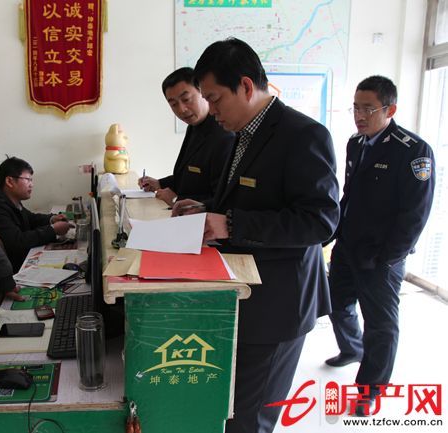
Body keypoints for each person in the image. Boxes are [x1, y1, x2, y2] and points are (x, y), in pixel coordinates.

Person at [172, 38, 340, 433]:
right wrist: (208, 209)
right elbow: (250, 197)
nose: (211, 110)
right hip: (244, 293)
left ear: (246, 86)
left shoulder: (303, 134)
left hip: (279, 303)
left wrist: (232, 224)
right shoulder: (242, 133)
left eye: (215, 99)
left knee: (250, 420)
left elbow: (320, 221)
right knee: (230, 409)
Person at [325, 76, 435, 415]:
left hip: (381, 255)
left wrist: (389, 258)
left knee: (381, 325)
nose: (359, 116)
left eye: (368, 109)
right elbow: (349, 196)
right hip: (348, 246)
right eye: (355, 108)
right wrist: (331, 233)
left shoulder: (413, 151)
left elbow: (415, 214)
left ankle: (370, 390)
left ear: (390, 110)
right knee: (336, 303)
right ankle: (352, 349)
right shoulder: (355, 143)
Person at [138, 67, 235, 206]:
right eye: (174, 104)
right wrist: (159, 183)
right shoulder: (194, 126)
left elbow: (221, 199)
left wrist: (176, 200)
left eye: (186, 99)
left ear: (203, 92)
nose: (181, 109)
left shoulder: (224, 136)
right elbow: (187, 177)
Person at [0, 156, 73, 273]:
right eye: (28, 179)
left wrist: (52, 219)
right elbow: (17, 242)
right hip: (14, 271)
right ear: (9, 181)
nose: (31, 185)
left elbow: (30, 218)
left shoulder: (11, 200)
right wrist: (53, 230)